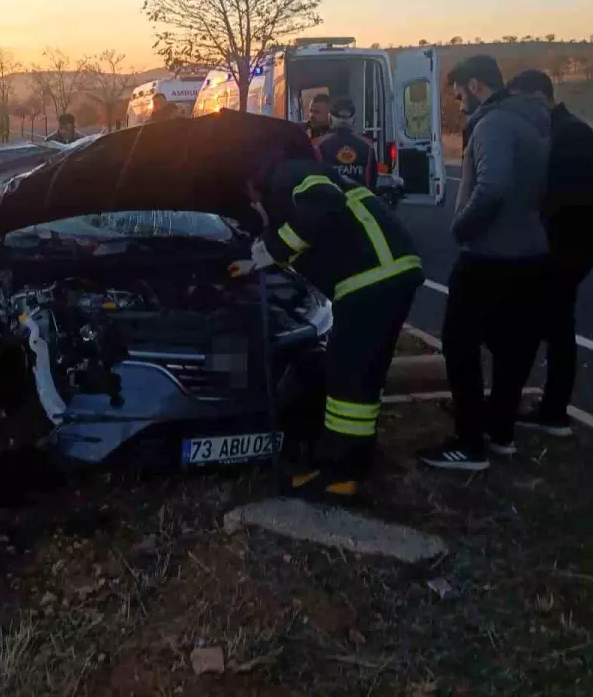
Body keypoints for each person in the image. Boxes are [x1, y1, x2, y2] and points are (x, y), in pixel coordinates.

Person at [230, 153, 424, 501]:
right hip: (384, 274)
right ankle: (350, 463)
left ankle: (340, 474)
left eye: (250, 196)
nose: (252, 203)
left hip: (372, 277)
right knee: (360, 374)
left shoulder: (289, 174)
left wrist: (272, 248)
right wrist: (260, 257)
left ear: (253, 181)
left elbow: (325, 206)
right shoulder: (292, 180)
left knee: (349, 376)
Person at [419, 56, 551, 471]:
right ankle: (501, 432)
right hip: (529, 253)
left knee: (460, 345)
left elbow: (492, 187)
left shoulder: (493, 125)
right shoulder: (532, 123)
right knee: (511, 347)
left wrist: (462, 227)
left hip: (489, 257)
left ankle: (469, 444)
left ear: (475, 86)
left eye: (460, 95)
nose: (459, 105)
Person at [508, 69, 593, 437]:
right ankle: (546, 408)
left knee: (546, 328)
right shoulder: (564, 130)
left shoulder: (569, 134)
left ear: (537, 97)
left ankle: (548, 411)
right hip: (563, 246)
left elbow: (561, 199)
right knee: (551, 327)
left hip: (562, 248)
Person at [313, 97, 378, 190]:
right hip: (361, 198)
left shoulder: (317, 144)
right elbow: (373, 181)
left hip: (329, 197)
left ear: (329, 118)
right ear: (354, 120)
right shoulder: (368, 145)